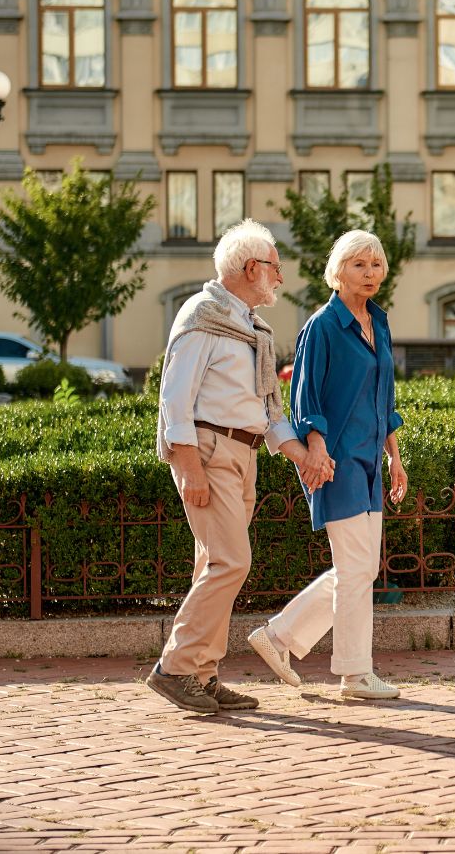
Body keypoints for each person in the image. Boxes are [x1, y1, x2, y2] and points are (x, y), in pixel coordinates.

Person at [147, 219, 328, 715]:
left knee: (214, 565)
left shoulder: (252, 328)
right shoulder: (202, 314)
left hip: (242, 454)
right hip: (208, 451)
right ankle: (176, 668)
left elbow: (267, 415)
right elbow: (174, 400)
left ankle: (202, 675)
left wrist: (305, 455)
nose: (280, 278)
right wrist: (187, 468)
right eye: (275, 267)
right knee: (232, 562)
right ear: (252, 268)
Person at [248, 229, 408, 701]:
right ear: (337, 271)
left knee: (361, 568)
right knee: (357, 567)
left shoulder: (378, 323)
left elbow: (386, 397)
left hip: (370, 462)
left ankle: (278, 638)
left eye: (376, 264)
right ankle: (356, 676)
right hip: (334, 459)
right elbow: (304, 396)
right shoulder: (320, 326)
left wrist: (395, 458)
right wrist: (315, 448)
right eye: (359, 265)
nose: (370, 273)